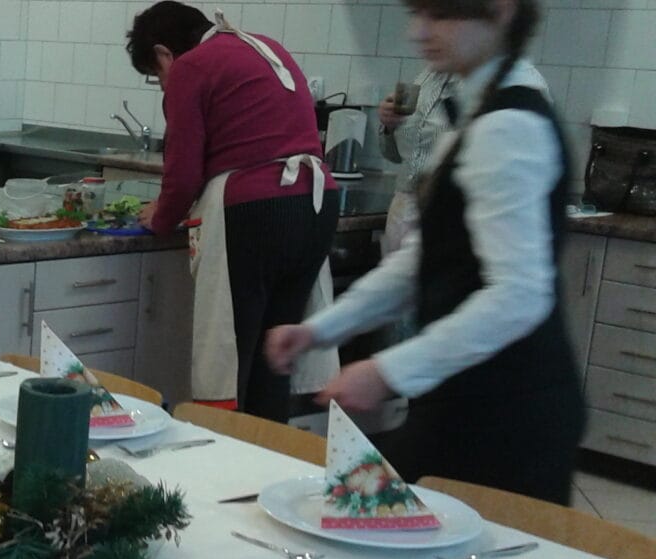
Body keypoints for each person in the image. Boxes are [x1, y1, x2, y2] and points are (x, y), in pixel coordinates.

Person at [265, 0, 583, 504]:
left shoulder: (509, 126)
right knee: (375, 519)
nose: (419, 31)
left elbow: (519, 295)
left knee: (377, 518)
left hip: (507, 412)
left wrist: (387, 371)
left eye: (441, 15)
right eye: (418, 14)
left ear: (500, 12)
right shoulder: (477, 110)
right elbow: (424, 260)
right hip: (466, 398)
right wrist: (321, 329)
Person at [129, 2, 339, 422]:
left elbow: (183, 172)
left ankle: (224, 453)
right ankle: (268, 453)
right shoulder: (264, 46)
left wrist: (161, 218)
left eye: (156, 75)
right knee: (275, 354)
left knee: (232, 357)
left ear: (164, 53)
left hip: (255, 212)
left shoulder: (191, 67)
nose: (163, 84)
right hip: (315, 204)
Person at [377, 66, 458, 255]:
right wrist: (388, 126)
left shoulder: (477, 87)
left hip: (442, 209)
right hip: (403, 206)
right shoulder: (425, 78)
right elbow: (394, 155)